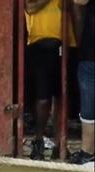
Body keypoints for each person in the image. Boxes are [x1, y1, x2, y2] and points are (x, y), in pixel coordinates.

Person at [25, 0, 77, 160]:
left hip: (67, 43)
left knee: (62, 97)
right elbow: (30, 7)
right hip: (40, 43)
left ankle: (60, 144)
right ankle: (38, 141)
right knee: (43, 97)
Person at [71, 0, 94, 165]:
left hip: (90, 55)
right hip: (89, 53)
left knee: (88, 107)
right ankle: (87, 152)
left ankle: (87, 152)